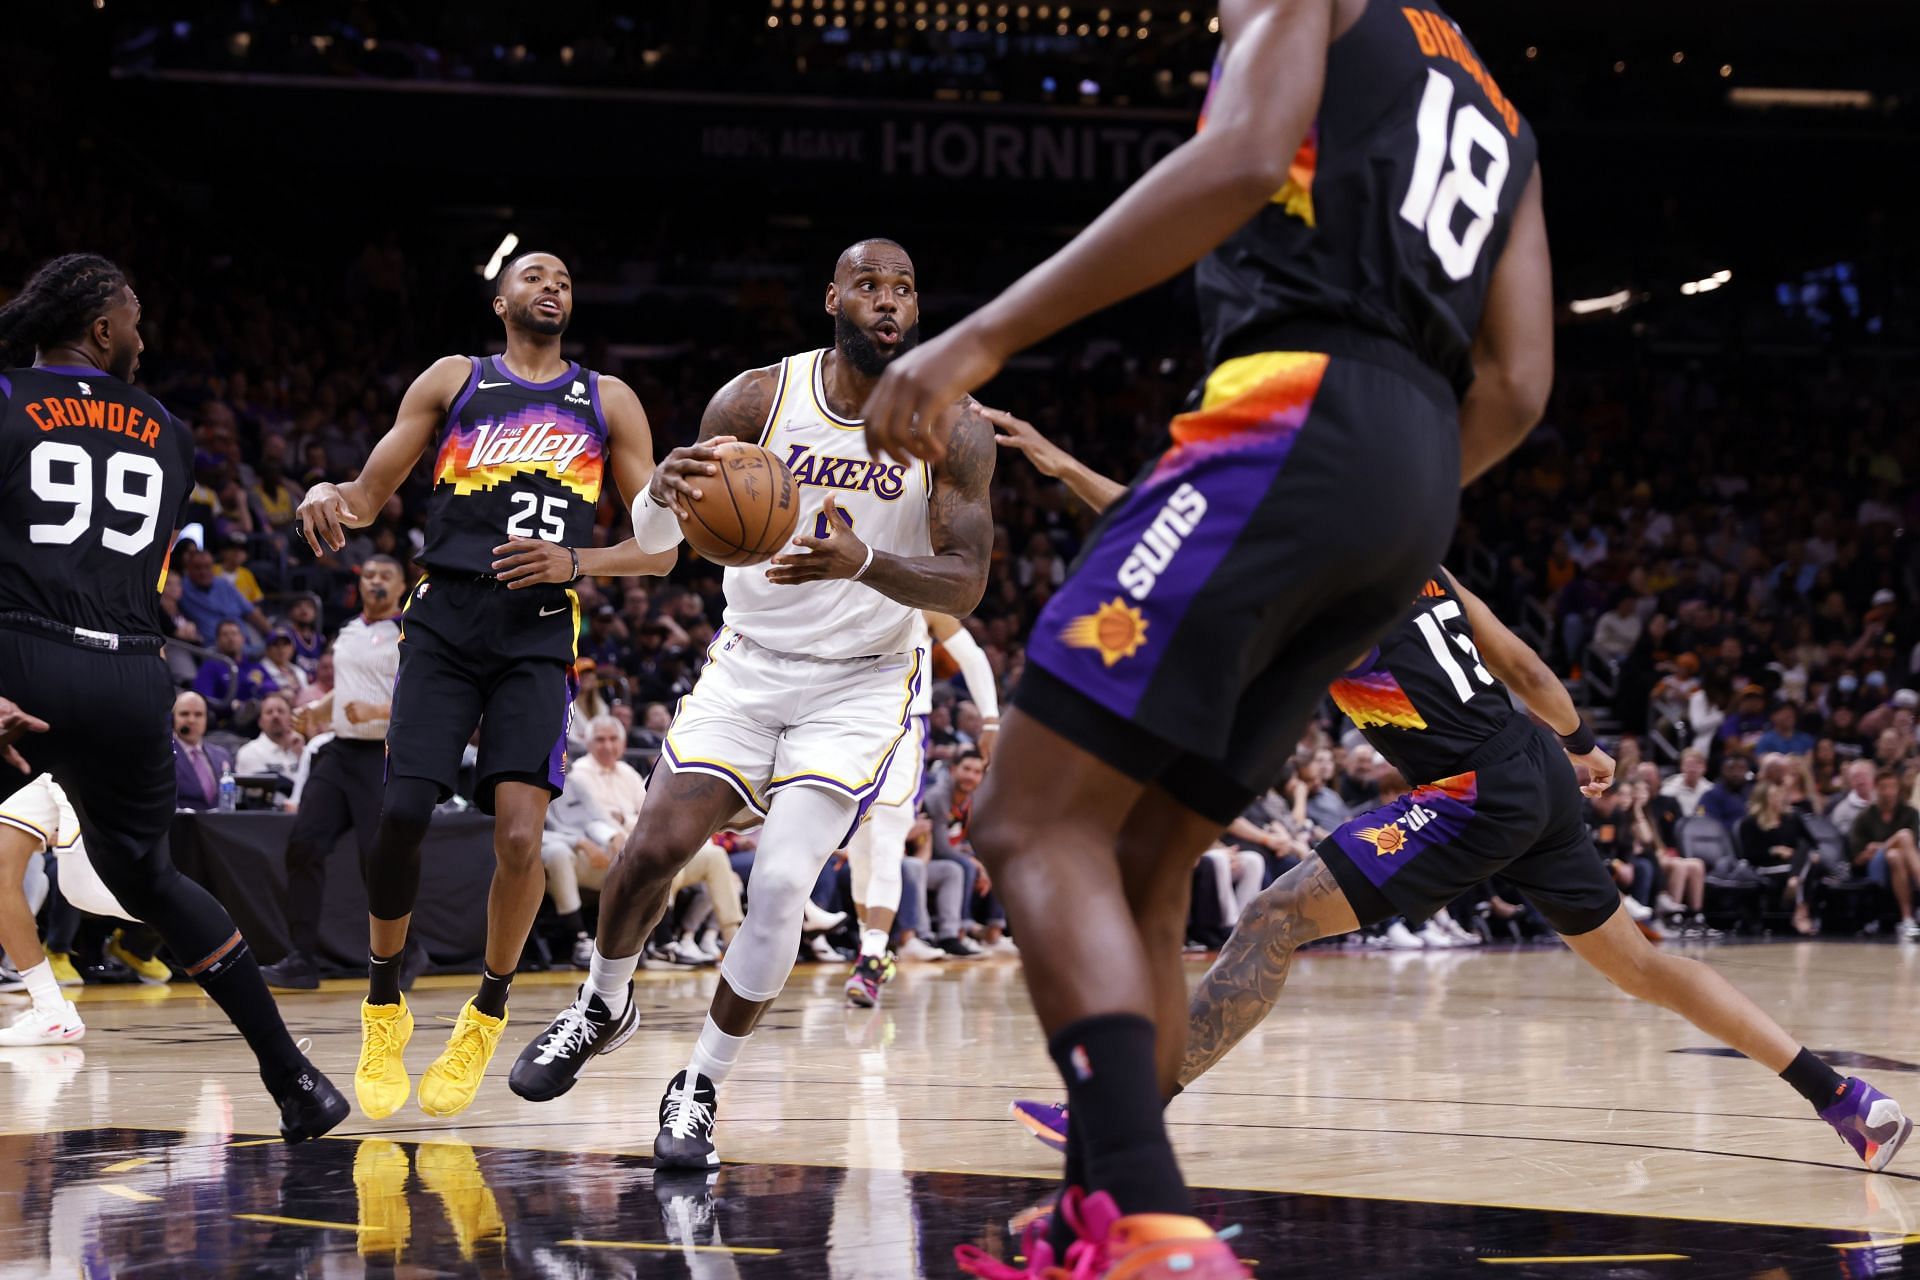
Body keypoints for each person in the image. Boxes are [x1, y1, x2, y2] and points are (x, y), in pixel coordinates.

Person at [866, 0, 1553, 1269]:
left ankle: (1152, 1218)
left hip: (1290, 407)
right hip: (1413, 484)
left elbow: (1241, 158)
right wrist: (1386, 477)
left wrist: (979, 337)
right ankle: (1097, 1213)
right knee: (1144, 855)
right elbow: (1517, 382)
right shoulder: (1497, 103)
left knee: (1022, 814)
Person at [1009, 568, 1909, 1183]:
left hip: (1473, 789)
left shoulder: (1318, 594)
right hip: (1532, 763)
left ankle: (1116, 1116)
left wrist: (1064, 468)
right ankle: (1845, 1100)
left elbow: (1169, 531)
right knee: (1643, 967)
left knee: (1275, 917)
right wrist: (1582, 745)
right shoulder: (1422, 564)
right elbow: (1520, 661)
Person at [509, 239, 994, 1172]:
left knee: (776, 885)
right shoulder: (756, 400)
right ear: (832, 299)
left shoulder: (954, 425)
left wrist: (867, 562)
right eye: (868, 285)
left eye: (903, 288)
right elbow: (660, 540)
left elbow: (965, 583)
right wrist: (659, 492)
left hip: (859, 681)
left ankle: (700, 1086)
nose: (887, 302)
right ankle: (603, 1002)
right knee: (650, 848)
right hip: (751, 662)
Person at [296, 253, 677, 1121]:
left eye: (567, 281)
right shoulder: (455, 379)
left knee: (517, 838)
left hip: (537, 629)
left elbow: (660, 548)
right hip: (442, 622)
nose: (553, 288)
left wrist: (578, 560)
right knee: (400, 814)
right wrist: (327, 489)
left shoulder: (606, 399)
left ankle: (488, 1010)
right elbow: (364, 495)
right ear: (502, 300)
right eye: (536, 276)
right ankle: (384, 1003)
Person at [0, 252, 346, 1139]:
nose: (145, 339)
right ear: (102, 330)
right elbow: (138, 568)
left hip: (23, 658)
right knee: (149, 876)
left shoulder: (7, 399)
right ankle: (294, 1081)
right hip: (130, 675)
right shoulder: (170, 432)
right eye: (137, 321)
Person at [260, 556, 408, 991]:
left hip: (380, 755)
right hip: (340, 752)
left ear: (402, 586)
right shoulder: (348, 631)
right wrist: (315, 710)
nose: (376, 582)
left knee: (375, 862)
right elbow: (345, 689)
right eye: (370, 576)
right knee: (304, 845)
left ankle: (406, 951)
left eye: (386, 576)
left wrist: (377, 710)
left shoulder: (410, 632)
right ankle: (301, 959)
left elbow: (424, 700)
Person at [842, 610, 1002, 1005]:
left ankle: (872, 955)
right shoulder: (846, 585)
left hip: (905, 728)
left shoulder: (921, 593)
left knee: (885, 843)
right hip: (850, 727)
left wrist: (992, 721)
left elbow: (972, 656)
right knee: (860, 855)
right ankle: (873, 951)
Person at [0, 775, 144, 1044]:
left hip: (82, 755)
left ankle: (215, 922)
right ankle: (50, 1010)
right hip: (39, 759)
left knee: (84, 891)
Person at [1848, 771, 1920, 941]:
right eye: (1883, 787)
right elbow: (1858, 858)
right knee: (1903, 836)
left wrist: (1880, 845)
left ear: (1898, 789)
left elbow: (1914, 847)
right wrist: (1880, 849)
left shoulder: (1910, 812)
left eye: (1892, 787)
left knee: (1895, 855)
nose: (1888, 792)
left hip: (1904, 862)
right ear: (1876, 789)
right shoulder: (1864, 817)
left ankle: (1907, 919)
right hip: (1875, 865)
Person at [177, 545, 271, 644]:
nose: (203, 572)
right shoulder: (181, 589)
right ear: (188, 568)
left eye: (207, 567)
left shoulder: (223, 584)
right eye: (198, 568)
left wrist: (272, 634)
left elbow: (251, 612)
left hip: (243, 644)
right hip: (212, 649)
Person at [172, 690, 235, 812]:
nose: (191, 720)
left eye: (198, 714)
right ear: (173, 718)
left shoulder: (222, 755)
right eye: (184, 714)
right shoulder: (163, 756)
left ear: (207, 718)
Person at [234, 692, 305, 793]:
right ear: (260, 722)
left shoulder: (302, 750)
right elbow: (261, 794)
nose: (275, 716)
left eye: (281, 711)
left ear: (291, 718)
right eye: (269, 712)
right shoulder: (249, 752)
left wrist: (301, 755)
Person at [1660, 748, 1713, 816]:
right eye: (1689, 764)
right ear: (1682, 767)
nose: (1692, 769)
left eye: (1697, 765)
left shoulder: (1710, 791)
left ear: (1704, 768)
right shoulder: (1669, 790)